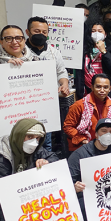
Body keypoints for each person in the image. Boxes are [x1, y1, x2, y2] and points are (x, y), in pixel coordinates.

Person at [0, 119, 57, 221]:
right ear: (19, 135)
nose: (34, 142)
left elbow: (53, 157)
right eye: (29, 137)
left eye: (38, 138)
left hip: (26, 206)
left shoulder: (34, 149)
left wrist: (47, 162)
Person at [0, 25, 39, 137]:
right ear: (1, 42)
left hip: (32, 112)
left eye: (18, 38)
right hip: (5, 116)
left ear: (24, 40)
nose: (14, 42)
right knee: (8, 149)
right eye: (8, 38)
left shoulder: (35, 60)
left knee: (34, 146)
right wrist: (4, 70)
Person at [25, 16, 71, 151]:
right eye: (36, 31)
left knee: (46, 139)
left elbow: (61, 72)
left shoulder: (53, 52)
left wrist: (64, 84)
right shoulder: (20, 51)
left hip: (46, 103)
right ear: (28, 32)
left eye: (44, 32)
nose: (41, 34)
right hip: (25, 102)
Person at [64, 73, 111, 152]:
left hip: (105, 145)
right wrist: (82, 139)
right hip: (83, 146)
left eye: (105, 87)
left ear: (110, 89)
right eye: (98, 87)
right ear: (92, 87)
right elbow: (68, 127)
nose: (102, 90)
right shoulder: (79, 105)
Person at [77, 22, 111, 102]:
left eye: (100, 31)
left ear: (105, 34)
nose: (96, 33)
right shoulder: (84, 50)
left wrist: (104, 52)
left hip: (107, 93)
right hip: (88, 92)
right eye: (93, 31)